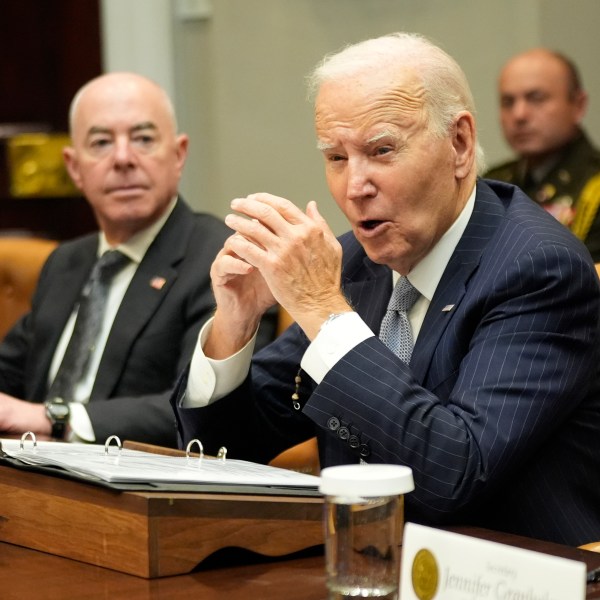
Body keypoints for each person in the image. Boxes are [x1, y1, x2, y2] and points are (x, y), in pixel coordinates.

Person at [171, 33, 600, 545]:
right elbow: (224, 450)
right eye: (336, 157)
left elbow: (451, 474)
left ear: (459, 144)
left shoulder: (537, 268)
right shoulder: (357, 260)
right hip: (363, 565)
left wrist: (321, 310)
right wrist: (234, 324)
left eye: (381, 150)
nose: (355, 186)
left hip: (513, 571)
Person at [0, 72, 275, 448]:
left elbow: (200, 406)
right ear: (74, 167)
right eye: (100, 142)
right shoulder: (66, 262)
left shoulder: (226, 264)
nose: (123, 158)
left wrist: (56, 418)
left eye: (143, 139)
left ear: (178, 155)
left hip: (134, 493)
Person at [485, 48, 600, 261]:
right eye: (508, 102)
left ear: (578, 105)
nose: (519, 115)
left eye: (536, 98)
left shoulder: (594, 184)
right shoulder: (490, 184)